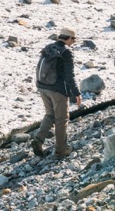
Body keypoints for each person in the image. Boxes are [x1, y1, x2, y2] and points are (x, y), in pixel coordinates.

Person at [33, 27, 81, 158]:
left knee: (50, 114)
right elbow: (69, 75)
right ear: (69, 38)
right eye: (74, 39)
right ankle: (61, 149)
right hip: (57, 89)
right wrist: (76, 93)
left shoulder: (49, 47)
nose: (74, 42)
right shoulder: (66, 52)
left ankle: (38, 139)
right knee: (61, 119)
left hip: (42, 86)